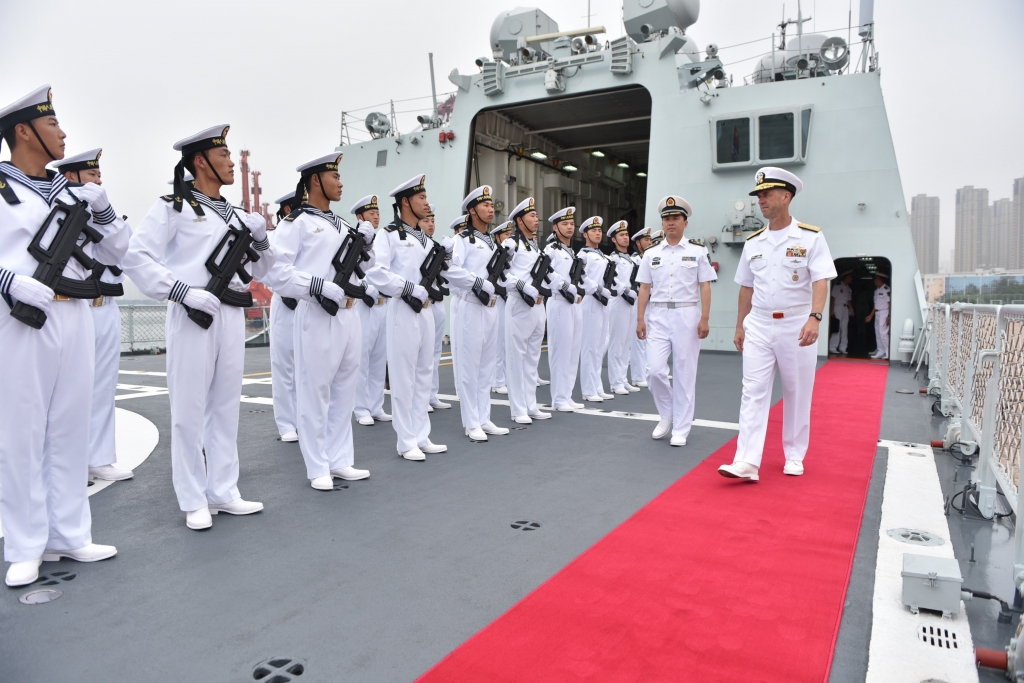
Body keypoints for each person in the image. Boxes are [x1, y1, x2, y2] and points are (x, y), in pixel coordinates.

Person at [0, 86, 128, 586]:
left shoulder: (74, 193)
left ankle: (70, 535)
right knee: (23, 433)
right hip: (20, 318)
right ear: (25, 131)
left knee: (71, 427)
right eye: (53, 125)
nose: (64, 134)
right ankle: (26, 544)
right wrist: (8, 281)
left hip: (75, 313)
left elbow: (120, 252)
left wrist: (103, 210)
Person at [124, 124, 276, 528]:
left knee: (225, 406)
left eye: (229, 155)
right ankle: (193, 498)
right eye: (223, 156)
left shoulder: (238, 215)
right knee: (188, 410)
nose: (230, 162)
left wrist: (261, 240)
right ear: (200, 161)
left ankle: (223, 491)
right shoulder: (173, 205)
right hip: (193, 314)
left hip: (231, 314)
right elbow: (136, 257)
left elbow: (264, 269)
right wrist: (180, 291)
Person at [264, 152, 373, 490]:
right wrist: (317, 286)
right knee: (315, 391)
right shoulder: (294, 223)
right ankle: (317, 466)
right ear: (315, 181)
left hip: (349, 314)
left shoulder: (340, 224)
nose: (340, 183)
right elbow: (276, 273)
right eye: (334, 176)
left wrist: (366, 249)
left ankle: (340, 459)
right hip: (316, 311)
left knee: (344, 388)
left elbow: (363, 270)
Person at [719, 167, 836, 481]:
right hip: (758, 324)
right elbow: (746, 286)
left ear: (787, 196)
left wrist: (815, 316)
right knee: (753, 392)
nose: (761, 200)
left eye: (767, 194)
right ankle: (747, 461)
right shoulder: (754, 242)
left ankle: (794, 454)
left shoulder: (810, 237)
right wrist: (740, 326)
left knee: (797, 391)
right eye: (758, 195)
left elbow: (821, 279)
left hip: (796, 324)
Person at [54, 149, 134, 482]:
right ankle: (67, 462)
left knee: (103, 386)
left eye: (100, 175)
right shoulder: (59, 213)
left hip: (106, 308)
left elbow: (123, 251)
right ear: (71, 177)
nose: (99, 181)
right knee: (68, 390)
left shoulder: (106, 218)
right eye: (92, 176)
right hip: (74, 306)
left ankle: (98, 458)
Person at [365, 175, 447, 461]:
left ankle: (421, 434)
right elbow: (376, 272)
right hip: (402, 309)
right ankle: (405, 440)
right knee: (404, 378)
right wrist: (408, 288)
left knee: (424, 373)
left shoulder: (426, 239)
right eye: (421, 198)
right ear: (405, 202)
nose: (426, 202)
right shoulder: (387, 235)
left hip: (425, 311)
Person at [636, 197, 716, 446]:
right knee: (654, 370)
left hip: (686, 314)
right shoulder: (651, 254)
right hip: (657, 315)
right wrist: (640, 318)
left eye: (675, 218)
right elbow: (644, 288)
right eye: (666, 219)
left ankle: (681, 428)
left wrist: (704, 318)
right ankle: (667, 413)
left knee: (685, 373)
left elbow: (705, 286)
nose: (670, 223)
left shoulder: (697, 251)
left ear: (685, 222)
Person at [446, 186, 510, 441]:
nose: (490, 208)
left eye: (491, 205)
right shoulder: (462, 240)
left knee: (486, 367)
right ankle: (471, 422)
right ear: (472, 210)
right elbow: (451, 271)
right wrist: (476, 283)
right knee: (470, 368)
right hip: (471, 306)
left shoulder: (492, 243)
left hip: (491, 308)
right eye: (484, 205)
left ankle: (484, 417)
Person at [501, 197, 552, 424]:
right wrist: (522, 286)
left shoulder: (533, 245)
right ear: (520, 220)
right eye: (531, 215)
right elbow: (501, 274)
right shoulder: (511, 244)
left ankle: (531, 405)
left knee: (532, 358)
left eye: (536, 215)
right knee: (516, 359)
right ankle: (518, 409)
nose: (536, 219)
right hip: (519, 304)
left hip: (538, 306)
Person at [350, 194, 391, 426]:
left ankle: (376, 406)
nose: (376, 216)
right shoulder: (354, 239)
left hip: (382, 304)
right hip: (363, 304)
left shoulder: (382, 238)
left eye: (377, 213)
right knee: (362, 358)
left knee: (378, 358)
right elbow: (351, 271)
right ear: (359, 217)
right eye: (371, 213)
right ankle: (361, 408)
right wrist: (365, 287)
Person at [543, 206, 585, 412]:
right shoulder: (551, 250)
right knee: (560, 351)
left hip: (575, 304)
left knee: (572, 350)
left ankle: (567, 395)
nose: (569, 227)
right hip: (560, 301)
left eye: (571, 224)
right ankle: (558, 398)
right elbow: (546, 273)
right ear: (555, 227)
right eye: (564, 224)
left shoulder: (571, 251)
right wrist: (564, 285)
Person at [269, 190, 300, 442]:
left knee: (307, 367)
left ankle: (302, 418)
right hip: (285, 304)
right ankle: (286, 424)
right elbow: (268, 273)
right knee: (284, 367)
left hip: (308, 305)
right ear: (288, 210)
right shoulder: (273, 235)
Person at [420, 204, 453, 412]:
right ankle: (421, 397)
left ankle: (431, 394)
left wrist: (447, 256)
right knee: (421, 354)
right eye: (426, 220)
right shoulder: (418, 246)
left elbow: (446, 274)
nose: (431, 224)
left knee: (435, 351)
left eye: (432, 221)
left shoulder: (434, 246)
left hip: (437, 302)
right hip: (423, 304)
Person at [578, 216, 614, 402]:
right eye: (593, 230)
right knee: (590, 347)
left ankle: (597, 386)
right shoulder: (583, 255)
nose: (598, 233)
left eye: (599, 230)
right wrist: (599, 289)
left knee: (600, 346)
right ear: (585, 234)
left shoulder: (604, 256)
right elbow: (580, 278)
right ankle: (588, 389)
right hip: (591, 301)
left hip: (603, 301)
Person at [606, 220, 641, 395]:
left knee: (627, 342)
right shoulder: (613, 259)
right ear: (614, 239)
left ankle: (623, 378)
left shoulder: (631, 260)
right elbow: (611, 280)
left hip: (631, 302)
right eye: (621, 235)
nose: (625, 238)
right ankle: (615, 382)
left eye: (626, 234)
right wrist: (626, 290)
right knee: (617, 342)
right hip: (619, 301)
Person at [490, 220, 513, 395]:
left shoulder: (508, 255)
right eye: (505, 235)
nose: (509, 238)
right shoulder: (494, 253)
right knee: (497, 342)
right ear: (498, 237)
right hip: (496, 300)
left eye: (510, 235)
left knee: (505, 341)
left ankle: (502, 377)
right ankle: (497, 380)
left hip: (506, 300)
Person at [629, 227, 653, 388]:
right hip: (640, 302)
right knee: (639, 340)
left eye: (650, 240)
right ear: (638, 243)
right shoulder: (636, 260)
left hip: (652, 302)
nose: (650, 242)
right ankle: (638, 375)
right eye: (646, 240)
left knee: (649, 339)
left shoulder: (650, 257)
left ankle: (646, 369)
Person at [866, 273, 890, 359]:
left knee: (883, 333)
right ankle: (881, 351)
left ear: (881, 279)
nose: (875, 280)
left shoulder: (886, 289)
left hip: (884, 312)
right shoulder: (876, 291)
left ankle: (888, 352)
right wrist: (871, 315)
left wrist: (889, 316)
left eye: (876, 278)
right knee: (878, 333)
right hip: (877, 313)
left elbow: (889, 303)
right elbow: (876, 305)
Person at [829, 271, 854, 355]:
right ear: (846, 277)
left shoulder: (849, 288)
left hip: (845, 308)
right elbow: (832, 298)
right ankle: (833, 347)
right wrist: (832, 310)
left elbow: (849, 300)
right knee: (837, 328)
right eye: (850, 277)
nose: (851, 279)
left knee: (844, 328)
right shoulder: (837, 286)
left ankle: (843, 347)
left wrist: (852, 310)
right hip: (837, 307)